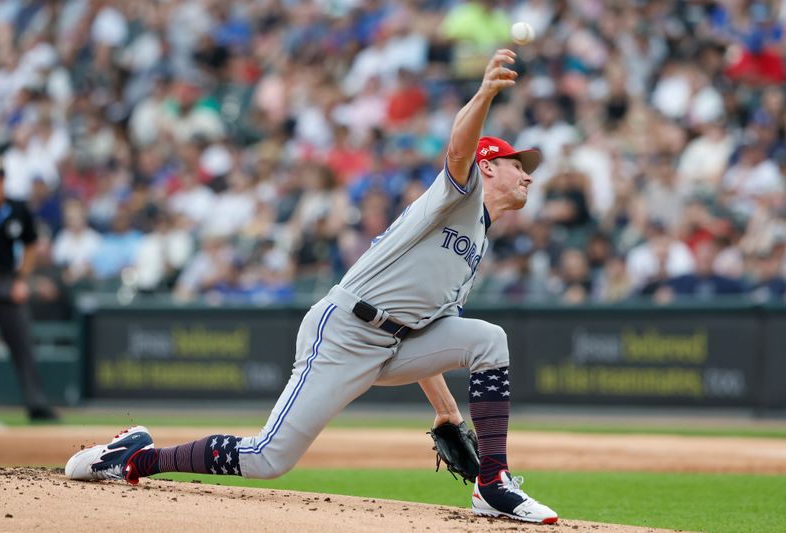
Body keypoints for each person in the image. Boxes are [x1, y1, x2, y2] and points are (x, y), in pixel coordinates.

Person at [65, 50, 558, 524]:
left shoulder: (477, 240)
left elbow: (430, 324)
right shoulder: (462, 194)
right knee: (268, 458)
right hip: (344, 333)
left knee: (490, 340)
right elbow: (457, 148)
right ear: (489, 165)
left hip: (393, 344)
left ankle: (493, 483)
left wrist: (448, 412)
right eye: (519, 164)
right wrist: (484, 95)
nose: (527, 176)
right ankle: (137, 458)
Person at [0, 146, 59, 422]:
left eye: (0, 179)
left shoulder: (16, 208)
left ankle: (36, 403)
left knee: (23, 343)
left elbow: (30, 244)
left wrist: (21, 280)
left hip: (7, 280)